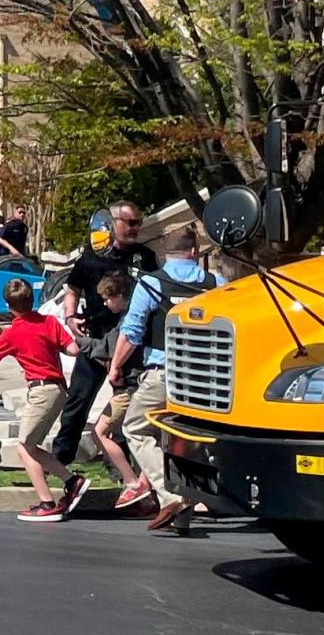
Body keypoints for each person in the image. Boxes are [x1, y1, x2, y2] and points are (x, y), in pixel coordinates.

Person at [109, 226, 222, 534]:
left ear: (164, 253)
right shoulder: (216, 284)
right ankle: (184, 513)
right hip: (206, 377)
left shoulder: (151, 283)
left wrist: (115, 366)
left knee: (136, 427)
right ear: (194, 252)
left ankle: (173, 495)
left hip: (165, 374)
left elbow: (132, 331)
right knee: (184, 436)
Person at [0, 279, 87, 522]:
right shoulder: (49, 322)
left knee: (24, 447)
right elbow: (73, 350)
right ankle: (72, 482)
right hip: (57, 388)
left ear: (8, 305)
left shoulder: (13, 333)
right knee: (32, 445)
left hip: (41, 390)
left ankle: (47, 501)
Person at [52, 199, 158, 464]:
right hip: (96, 338)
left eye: (139, 223)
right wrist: (70, 316)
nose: (136, 228)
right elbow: (72, 289)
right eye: (131, 223)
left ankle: (120, 463)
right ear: (113, 223)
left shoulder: (144, 257)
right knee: (78, 398)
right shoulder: (91, 257)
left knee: (123, 405)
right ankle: (62, 456)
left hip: (130, 344)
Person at [80, 273, 152, 511]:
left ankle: (132, 483)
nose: (104, 303)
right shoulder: (139, 317)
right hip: (141, 385)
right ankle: (147, 493)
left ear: (120, 296)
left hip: (128, 387)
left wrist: (78, 341)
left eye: (107, 298)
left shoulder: (126, 323)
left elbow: (107, 350)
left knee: (99, 433)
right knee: (140, 438)